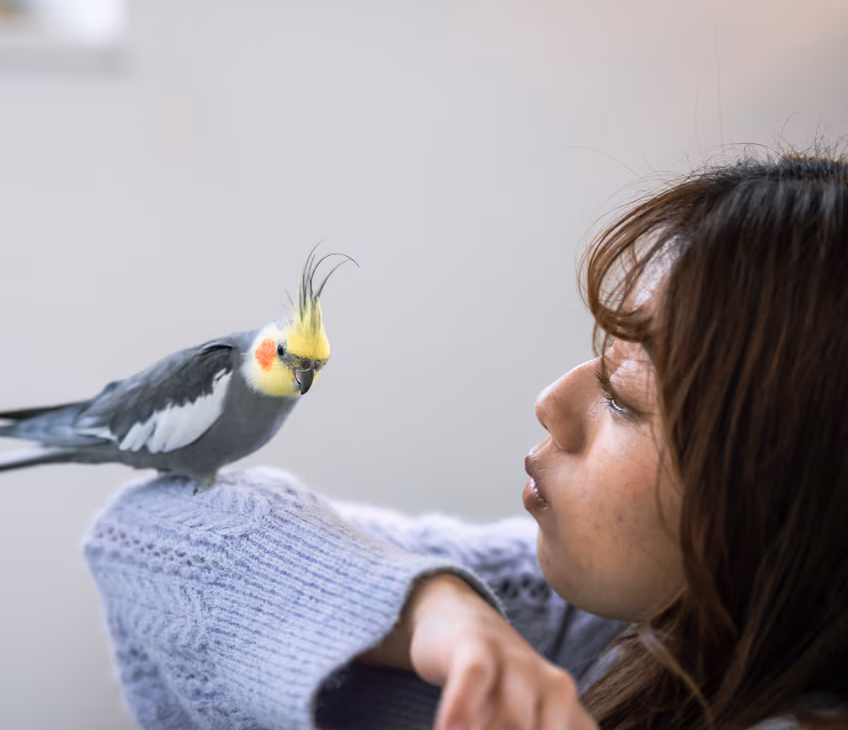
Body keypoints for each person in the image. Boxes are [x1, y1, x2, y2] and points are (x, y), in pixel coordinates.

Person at [82, 151, 848, 730]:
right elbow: (145, 534)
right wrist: (433, 614)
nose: (553, 403)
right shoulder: (609, 622)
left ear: (789, 488)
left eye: (623, 396)